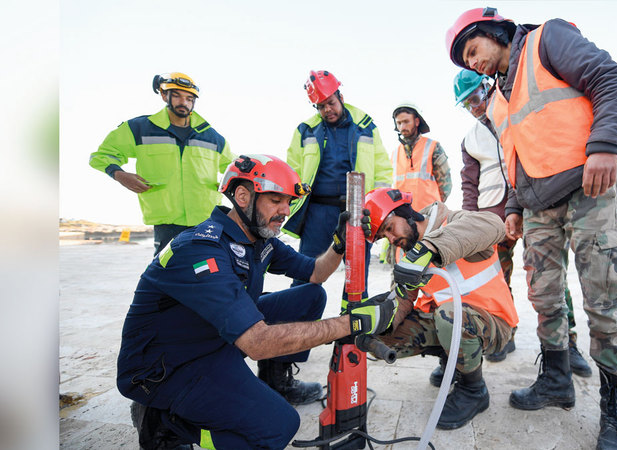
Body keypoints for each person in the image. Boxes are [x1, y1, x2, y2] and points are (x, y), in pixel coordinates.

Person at [447, 7, 617, 449]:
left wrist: (605, 145)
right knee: (544, 297)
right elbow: (515, 157)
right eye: (466, 60)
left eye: (474, 50)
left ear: (494, 32)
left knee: (602, 298)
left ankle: (615, 410)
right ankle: (555, 380)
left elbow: (610, 79)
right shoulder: (497, 97)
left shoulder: (547, 40)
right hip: (536, 207)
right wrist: (513, 205)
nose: (474, 63)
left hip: (586, 185)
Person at [116, 154, 396, 449]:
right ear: (242, 195)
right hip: (167, 366)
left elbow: (314, 273)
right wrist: (351, 323)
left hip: (215, 337)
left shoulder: (258, 239)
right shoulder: (201, 250)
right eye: (276, 200)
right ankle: (165, 425)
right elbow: (257, 343)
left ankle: (277, 382)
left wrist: (339, 243)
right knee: (278, 427)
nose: (285, 211)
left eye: (288, 202)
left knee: (311, 296)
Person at [453, 69, 591, 375]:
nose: (474, 107)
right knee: (496, 280)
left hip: (531, 209)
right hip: (491, 220)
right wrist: (469, 222)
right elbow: (469, 185)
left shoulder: (514, 114)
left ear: (487, 88)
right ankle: (504, 337)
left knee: (548, 276)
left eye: (475, 98)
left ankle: (567, 345)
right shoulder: (470, 139)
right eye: (466, 104)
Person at [364, 187, 518, 430]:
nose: (391, 238)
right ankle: (452, 361)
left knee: (448, 315)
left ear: (405, 212)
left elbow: (494, 225)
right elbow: (402, 301)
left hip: (493, 324)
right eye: (385, 236)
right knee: (381, 336)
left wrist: (429, 249)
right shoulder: (406, 253)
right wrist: (378, 321)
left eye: (390, 227)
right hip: (449, 323)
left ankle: (473, 390)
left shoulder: (454, 221)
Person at [89, 72, 234, 255]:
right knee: (166, 273)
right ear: (164, 96)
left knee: (209, 270)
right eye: (178, 96)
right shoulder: (138, 128)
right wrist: (119, 175)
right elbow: (101, 156)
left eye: (189, 98)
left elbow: (234, 168)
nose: (184, 102)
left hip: (206, 218)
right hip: (166, 220)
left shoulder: (212, 137)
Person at [283, 70, 393, 294]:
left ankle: (353, 325)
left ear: (340, 97)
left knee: (357, 276)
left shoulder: (366, 125)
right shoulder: (305, 130)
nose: (327, 110)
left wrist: (377, 208)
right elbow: (292, 170)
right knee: (306, 271)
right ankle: (300, 323)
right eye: (321, 106)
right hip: (317, 212)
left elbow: (382, 169)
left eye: (331, 103)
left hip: (357, 211)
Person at [383, 102, 452, 265]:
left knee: (433, 271)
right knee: (402, 274)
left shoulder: (433, 147)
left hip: (428, 222)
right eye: (399, 123)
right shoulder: (395, 153)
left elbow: (446, 185)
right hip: (402, 224)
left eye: (406, 121)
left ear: (417, 121)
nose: (402, 126)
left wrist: (434, 211)